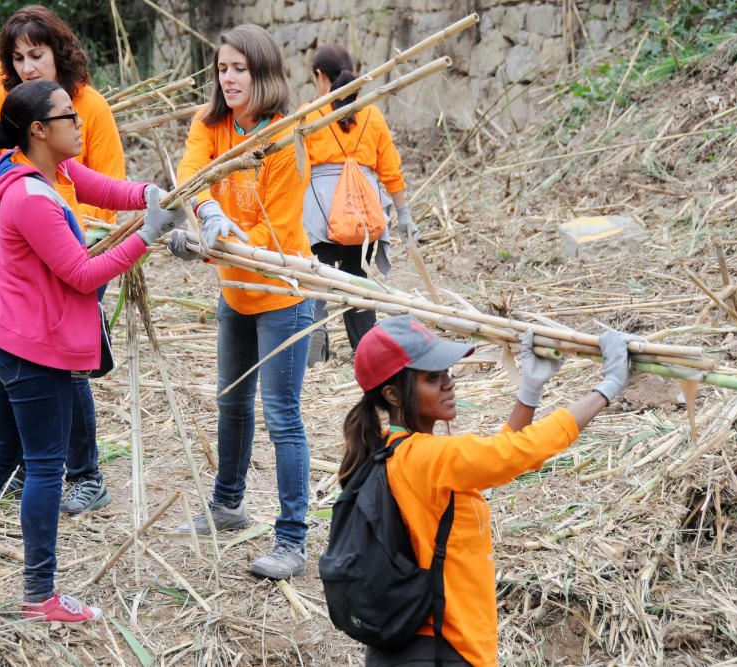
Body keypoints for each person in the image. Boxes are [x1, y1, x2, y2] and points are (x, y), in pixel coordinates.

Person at [0, 79, 183, 622]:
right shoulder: (30, 198)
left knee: (3, 452)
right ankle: (40, 596)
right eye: (68, 116)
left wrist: (150, 198)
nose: (79, 121)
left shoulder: (42, 172)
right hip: (30, 351)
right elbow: (82, 275)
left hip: (1, 334)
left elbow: (102, 188)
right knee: (46, 465)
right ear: (39, 130)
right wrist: (147, 238)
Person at [340, 316, 637, 666]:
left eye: (447, 373)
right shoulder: (427, 457)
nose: (448, 384)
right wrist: (607, 387)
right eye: (431, 378)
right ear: (392, 394)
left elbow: (494, 459)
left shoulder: (396, 452)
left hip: (415, 646)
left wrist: (529, 392)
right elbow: (519, 452)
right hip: (443, 648)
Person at [0, 4, 126, 514]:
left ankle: (85, 473)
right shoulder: (14, 105)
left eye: (38, 54)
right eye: (20, 57)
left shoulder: (87, 107)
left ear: (59, 53)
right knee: (32, 359)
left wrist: (118, 222)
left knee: (68, 365)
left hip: (80, 249)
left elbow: (104, 181)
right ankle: (35, 464)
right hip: (34, 248)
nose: (29, 66)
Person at [169, 24, 314, 580]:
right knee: (231, 402)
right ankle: (227, 506)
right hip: (235, 290)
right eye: (222, 69)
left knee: (282, 416)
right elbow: (191, 175)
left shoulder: (286, 134)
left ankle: (292, 539)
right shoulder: (210, 125)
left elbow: (272, 232)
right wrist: (204, 213)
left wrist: (211, 245)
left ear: (264, 73)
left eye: (240, 69)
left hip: (281, 292)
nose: (229, 79)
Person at [301, 44, 418, 362]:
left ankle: (314, 336)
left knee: (317, 274)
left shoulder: (309, 115)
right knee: (356, 276)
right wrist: (404, 213)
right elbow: (391, 170)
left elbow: (296, 170)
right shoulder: (372, 114)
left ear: (320, 76)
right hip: (362, 211)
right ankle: (365, 347)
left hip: (321, 211)